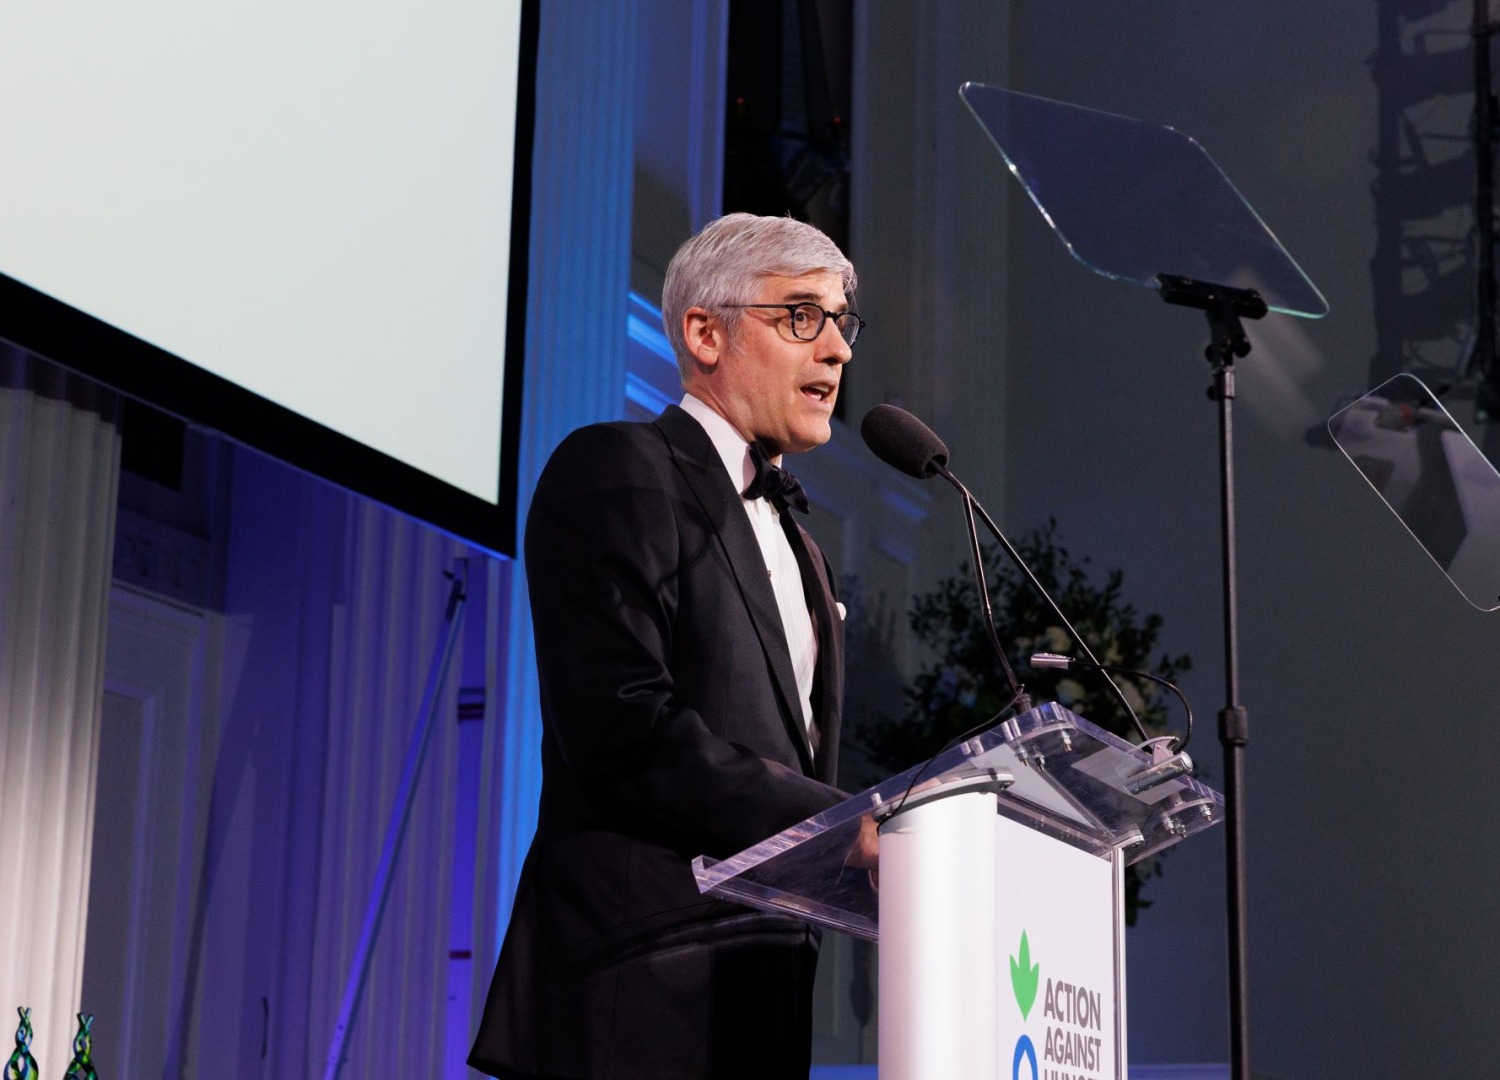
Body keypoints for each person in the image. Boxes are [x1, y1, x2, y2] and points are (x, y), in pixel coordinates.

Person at [469, 213, 869, 1080]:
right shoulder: (618, 468)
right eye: (803, 316)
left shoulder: (802, 546)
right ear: (704, 333)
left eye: (842, 321)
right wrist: (839, 831)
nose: (836, 349)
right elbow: (624, 729)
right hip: (633, 1004)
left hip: (757, 1005)